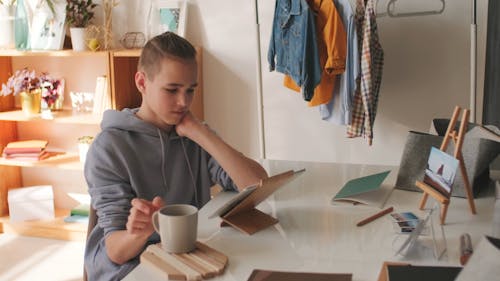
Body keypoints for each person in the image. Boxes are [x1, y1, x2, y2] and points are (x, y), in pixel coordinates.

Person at [83, 32, 268, 281]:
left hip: (186, 257)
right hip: (129, 268)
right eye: (171, 90)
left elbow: (257, 185)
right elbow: (115, 252)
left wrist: (201, 133)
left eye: (190, 90)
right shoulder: (108, 148)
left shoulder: (193, 133)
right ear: (141, 82)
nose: (183, 102)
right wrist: (139, 233)